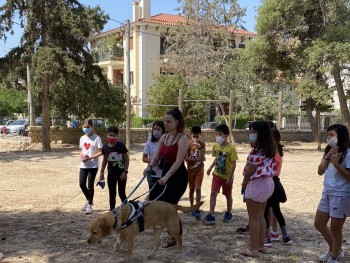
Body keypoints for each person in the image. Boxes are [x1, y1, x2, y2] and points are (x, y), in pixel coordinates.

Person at [143, 108, 189, 248]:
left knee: (170, 205)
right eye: (165, 121)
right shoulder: (163, 138)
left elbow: (178, 161)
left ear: (177, 122)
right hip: (165, 174)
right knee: (159, 202)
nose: (166, 124)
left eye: (168, 121)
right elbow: (156, 158)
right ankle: (173, 233)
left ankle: (175, 236)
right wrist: (149, 167)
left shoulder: (183, 139)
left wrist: (166, 177)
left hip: (178, 176)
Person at [314, 124, 350, 263]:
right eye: (328, 135)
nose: (329, 138)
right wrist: (327, 157)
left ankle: (334, 257)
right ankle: (335, 250)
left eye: (332, 135)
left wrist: (336, 164)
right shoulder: (329, 151)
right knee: (319, 223)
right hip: (327, 192)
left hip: (341, 194)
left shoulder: (348, 154)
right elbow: (320, 171)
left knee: (335, 228)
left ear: (341, 136)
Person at [240, 121, 276, 257]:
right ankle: (260, 245)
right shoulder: (269, 150)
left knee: (253, 218)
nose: (251, 135)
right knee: (261, 216)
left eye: (253, 132)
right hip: (267, 183)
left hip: (256, 184)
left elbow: (249, 171)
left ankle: (253, 249)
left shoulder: (256, 153)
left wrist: (244, 183)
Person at [203, 123, 238, 225]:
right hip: (217, 175)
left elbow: (233, 163)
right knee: (213, 193)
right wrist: (210, 168)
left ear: (226, 135)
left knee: (228, 195)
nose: (218, 136)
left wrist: (230, 177)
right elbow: (216, 159)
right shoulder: (216, 146)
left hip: (227, 177)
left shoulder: (231, 148)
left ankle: (228, 213)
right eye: (216, 134)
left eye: (220, 134)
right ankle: (211, 214)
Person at [263, 128, 293, 247]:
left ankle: (266, 238)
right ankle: (285, 236)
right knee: (277, 211)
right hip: (275, 182)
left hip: (270, 182)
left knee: (266, 211)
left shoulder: (271, 153)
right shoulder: (278, 151)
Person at [99, 126, 129, 211]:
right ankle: (112, 212)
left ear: (117, 136)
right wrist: (101, 172)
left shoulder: (121, 146)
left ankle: (128, 211)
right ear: (107, 135)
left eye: (114, 135)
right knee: (112, 194)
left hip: (121, 174)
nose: (112, 137)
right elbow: (105, 160)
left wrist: (125, 171)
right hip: (111, 174)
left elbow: (126, 159)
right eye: (110, 135)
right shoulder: (105, 147)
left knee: (121, 193)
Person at [79, 119, 103, 215]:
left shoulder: (97, 138)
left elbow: (101, 152)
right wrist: (82, 156)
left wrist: (90, 157)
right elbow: (81, 150)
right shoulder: (82, 138)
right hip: (84, 164)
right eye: (84, 127)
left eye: (88, 127)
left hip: (93, 165)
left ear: (92, 127)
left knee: (90, 185)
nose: (86, 129)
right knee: (81, 184)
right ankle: (89, 200)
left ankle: (89, 205)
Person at [185, 125, 206, 219]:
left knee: (198, 188)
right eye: (194, 136)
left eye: (197, 136)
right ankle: (192, 207)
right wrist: (195, 159)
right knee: (192, 189)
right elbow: (186, 158)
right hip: (190, 170)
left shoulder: (202, 144)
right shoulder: (188, 144)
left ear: (200, 135)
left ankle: (197, 208)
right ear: (191, 136)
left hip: (199, 169)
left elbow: (202, 158)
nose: (196, 138)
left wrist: (200, 149)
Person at [142, 121, 165, 189]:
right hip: (152, 174)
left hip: (164, 174)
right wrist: (155, 162)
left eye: (158, 129)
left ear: (163, 130)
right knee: (152, 194)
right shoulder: (149, 143)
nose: (156, 131)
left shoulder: (167, 143)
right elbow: (144, 158)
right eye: (154, 129)